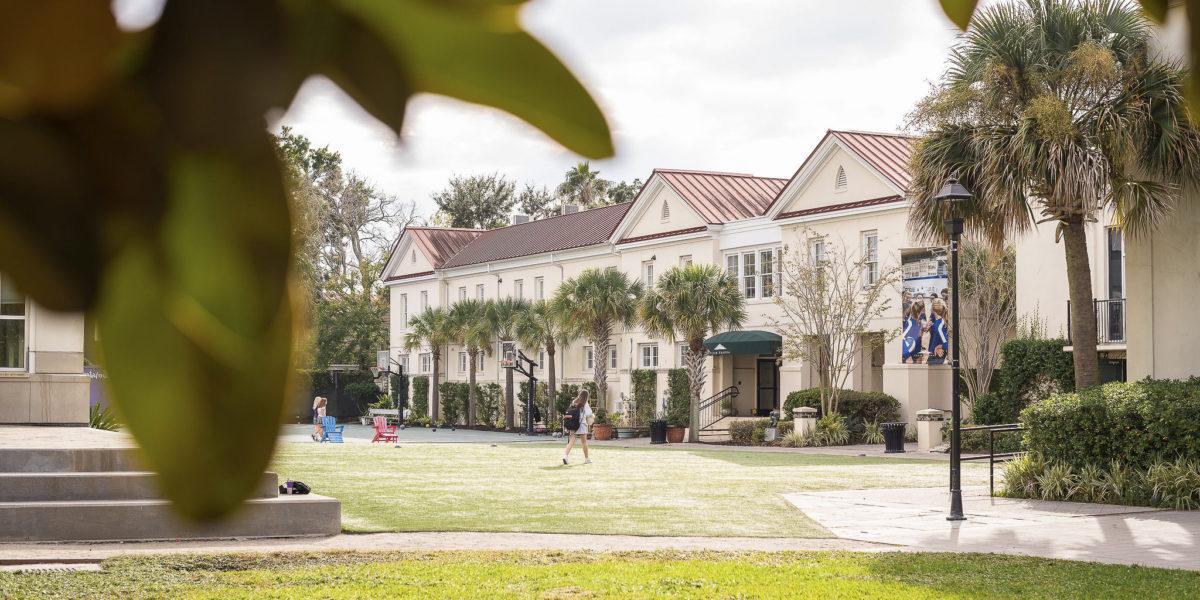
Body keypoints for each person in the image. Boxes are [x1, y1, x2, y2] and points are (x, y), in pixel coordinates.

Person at [562, 389, 593, 465]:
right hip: (582, 425)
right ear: (586, 397)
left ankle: (565, 456)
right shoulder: (585, 404)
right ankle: (587, 459)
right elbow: (589, 414)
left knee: (571, 441)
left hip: (573, 424)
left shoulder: (574, 402)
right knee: (584, 442)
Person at [927, 298, 949, 365]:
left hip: (937, 356)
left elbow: (947, 343)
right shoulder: (938, 322)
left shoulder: (939, 324)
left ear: (933, 309)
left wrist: (940, 347)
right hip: (934, 355)